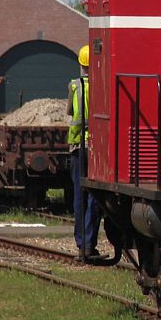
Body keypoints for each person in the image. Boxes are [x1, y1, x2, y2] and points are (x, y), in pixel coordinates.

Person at [68, 44, 100, 260]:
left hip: (77, 147)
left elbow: (70, 111)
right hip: (96, 148)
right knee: (95, 197)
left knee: (79, 196)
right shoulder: (102, 85)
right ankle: (89, 244)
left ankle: (81, 244)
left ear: (81, 64)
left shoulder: (74, 86)